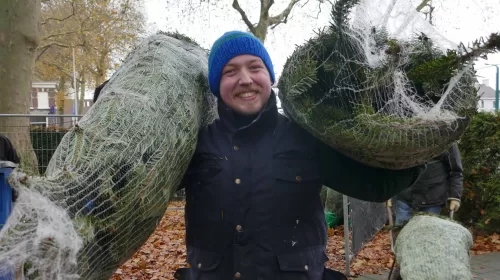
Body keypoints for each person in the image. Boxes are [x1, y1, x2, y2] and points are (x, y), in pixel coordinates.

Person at [174, 31, 423, 280]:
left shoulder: (305, 137)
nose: (245, 79)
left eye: (255, 67)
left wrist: (420, 148)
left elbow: (374, 187)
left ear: (270, 76)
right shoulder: (195, 144)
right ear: (217, 85)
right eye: (230, 72)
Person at [389, 142, 463, 280]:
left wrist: (455, 196)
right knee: (401, 240)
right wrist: (388, 193)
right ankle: (402, 272)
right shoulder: (404, 138)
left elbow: (456, 171)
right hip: (404, 197)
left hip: (431, 198)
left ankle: (427, 273)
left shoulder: (446, 139)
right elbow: (393, 167)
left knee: (429, 242)